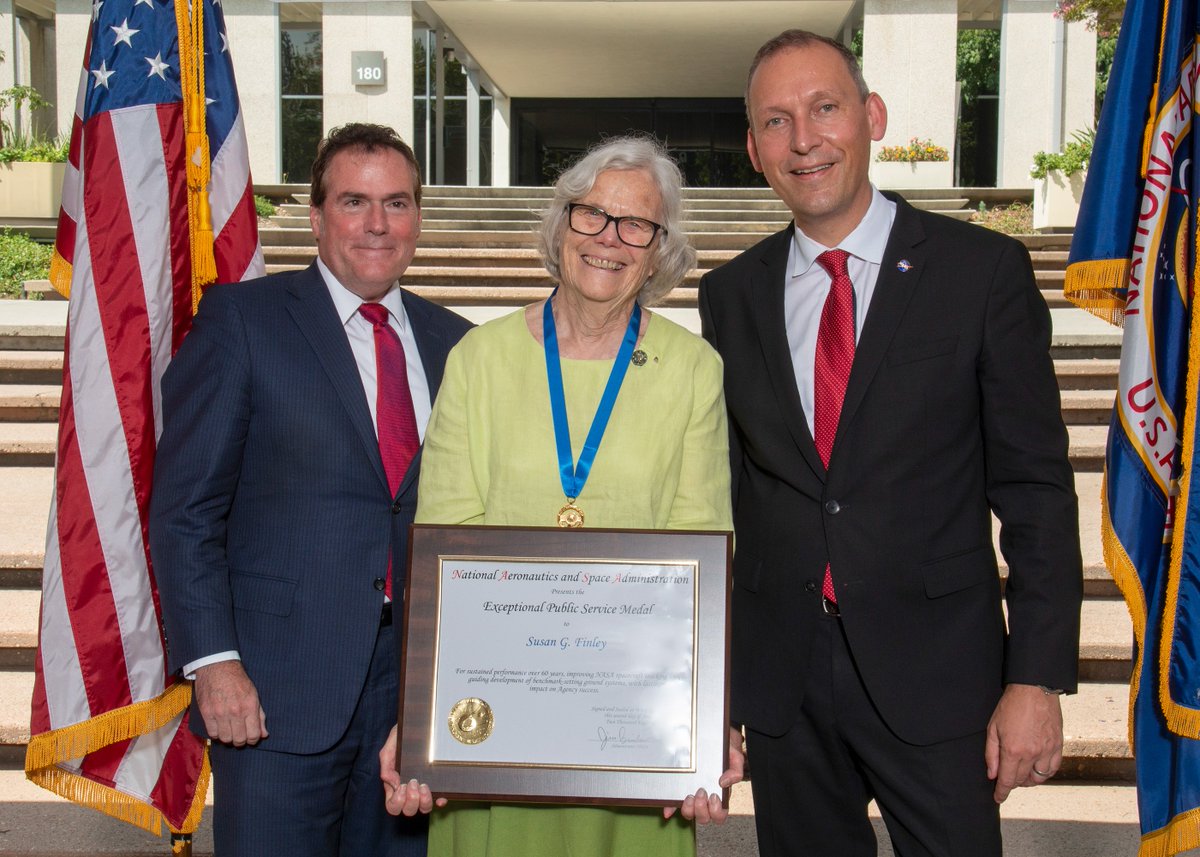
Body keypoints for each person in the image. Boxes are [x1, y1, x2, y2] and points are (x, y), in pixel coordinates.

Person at [697, 30, 1083, 857]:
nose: (804, 139)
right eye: (776, 121)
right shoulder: (730, 296)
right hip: (785, 686)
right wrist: (705, 692)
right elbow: (728, 494)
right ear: (756, 151)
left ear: (871, 116)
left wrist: (1036, 676)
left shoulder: (981, 273)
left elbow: (1036, 490)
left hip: (943, 682)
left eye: (824, 108)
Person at [378, 135, 742, 857]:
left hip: (633, 742)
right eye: (592, 215)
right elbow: (444, 544)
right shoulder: (479, 359)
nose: (610, 238)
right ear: (560, 222)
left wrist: (704, 724)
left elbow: (703, 550)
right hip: (492, 734)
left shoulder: (692, 370)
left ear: (659, 247)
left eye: (636, 223)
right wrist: (421, 716)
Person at [149, 123, 472, 856]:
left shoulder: (456, 343)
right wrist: (215, 662)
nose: (377, 224)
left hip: (413, 692)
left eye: (397, 203)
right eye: (354, 201)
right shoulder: (243, 320)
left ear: (418, 215)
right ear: (317, 213)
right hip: (274, 687)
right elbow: (185, 511)